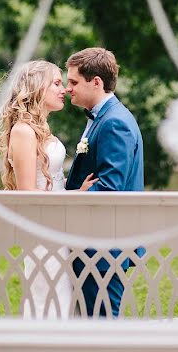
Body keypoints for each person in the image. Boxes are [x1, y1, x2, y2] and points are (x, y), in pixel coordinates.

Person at [0, 60, 97, 319]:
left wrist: (75, 192)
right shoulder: (23, 131)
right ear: (36, 88)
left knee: (63, 296)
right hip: (42, 233)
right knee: (47, 298)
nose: (63, 89)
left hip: (57, 227)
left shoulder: (41, 129)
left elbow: (51, 182)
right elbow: (27, 194)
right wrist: (75, 196)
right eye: (56, 83)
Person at [64, 48, 144, 318]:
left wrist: (73, 197)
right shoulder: (104, 117)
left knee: (102, 323)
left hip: (104, 246)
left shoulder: (114, 123)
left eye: (73, 82)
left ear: (96, 82)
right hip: (96, 244)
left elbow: (111, 187)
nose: (68, 88)